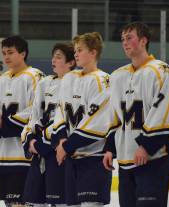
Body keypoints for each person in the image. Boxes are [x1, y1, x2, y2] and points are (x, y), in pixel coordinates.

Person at [103, 22, 169, 207]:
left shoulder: (161, 71)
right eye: (122, 39)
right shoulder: (117, 76)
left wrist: (147, 145)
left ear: (143, 41)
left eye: (130, 38)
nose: (125, 43)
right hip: (126, 160)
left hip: (153, 158)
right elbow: (114, 115)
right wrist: (110, 147)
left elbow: (164, 111)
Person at [52, 32, 112, 207]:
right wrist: (61, 140)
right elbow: (60, 112)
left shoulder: (103, 81)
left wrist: (66, 146)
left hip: (94, 159)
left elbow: (97, 123)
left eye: (80, 50)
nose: (76, 54)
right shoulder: (69, 78)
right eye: (75, 50)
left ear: (93, 53)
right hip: (71, 158)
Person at [0, 35, 43, 207]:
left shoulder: (35, 76)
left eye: (10, 52)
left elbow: (37, 110)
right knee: (11, 203)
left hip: (26, 156)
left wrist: (5, 122)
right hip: (5, 156)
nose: (6, 57)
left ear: (23, 53)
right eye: (4, 53)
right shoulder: (3, 78)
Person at [21, 42, 76, 207]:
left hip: (60, 153)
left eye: (58, 57)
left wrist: (48, 140)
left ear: (71, 62)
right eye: (53, 56)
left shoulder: (76, 84)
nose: (53, 60)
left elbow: (69, 119)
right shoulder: (44, 84)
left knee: (61, 202)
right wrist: (30, 140)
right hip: (40, 154)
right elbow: (34, 116)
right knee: (34, 201)